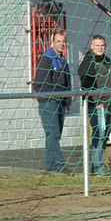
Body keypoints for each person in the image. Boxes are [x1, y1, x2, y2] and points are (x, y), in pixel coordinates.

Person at [32, 28, 72, 172]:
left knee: (55, 135)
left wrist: (67, 101)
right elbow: (39, 84)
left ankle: (51, 166)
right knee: (52, 133)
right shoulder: (47, 59)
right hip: (49, 102)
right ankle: (60, 165)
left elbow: (68, 83)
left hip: (60, 102)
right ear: (52, 43)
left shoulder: (63, 61)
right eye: (58, 41)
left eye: (63, 42)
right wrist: (50, 97)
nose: (61, 44)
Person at [78, 35, 111, 176]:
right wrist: (96, 99)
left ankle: (98, 165)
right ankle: (98, 166)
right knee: (99, 134)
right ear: (91, 46)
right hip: (97, 105)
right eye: (97, 45)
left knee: (105, 135)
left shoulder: (108, 61)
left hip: (110, 104)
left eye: (102, 45)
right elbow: (84, 79)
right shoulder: (88, 62)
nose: (100, 48)